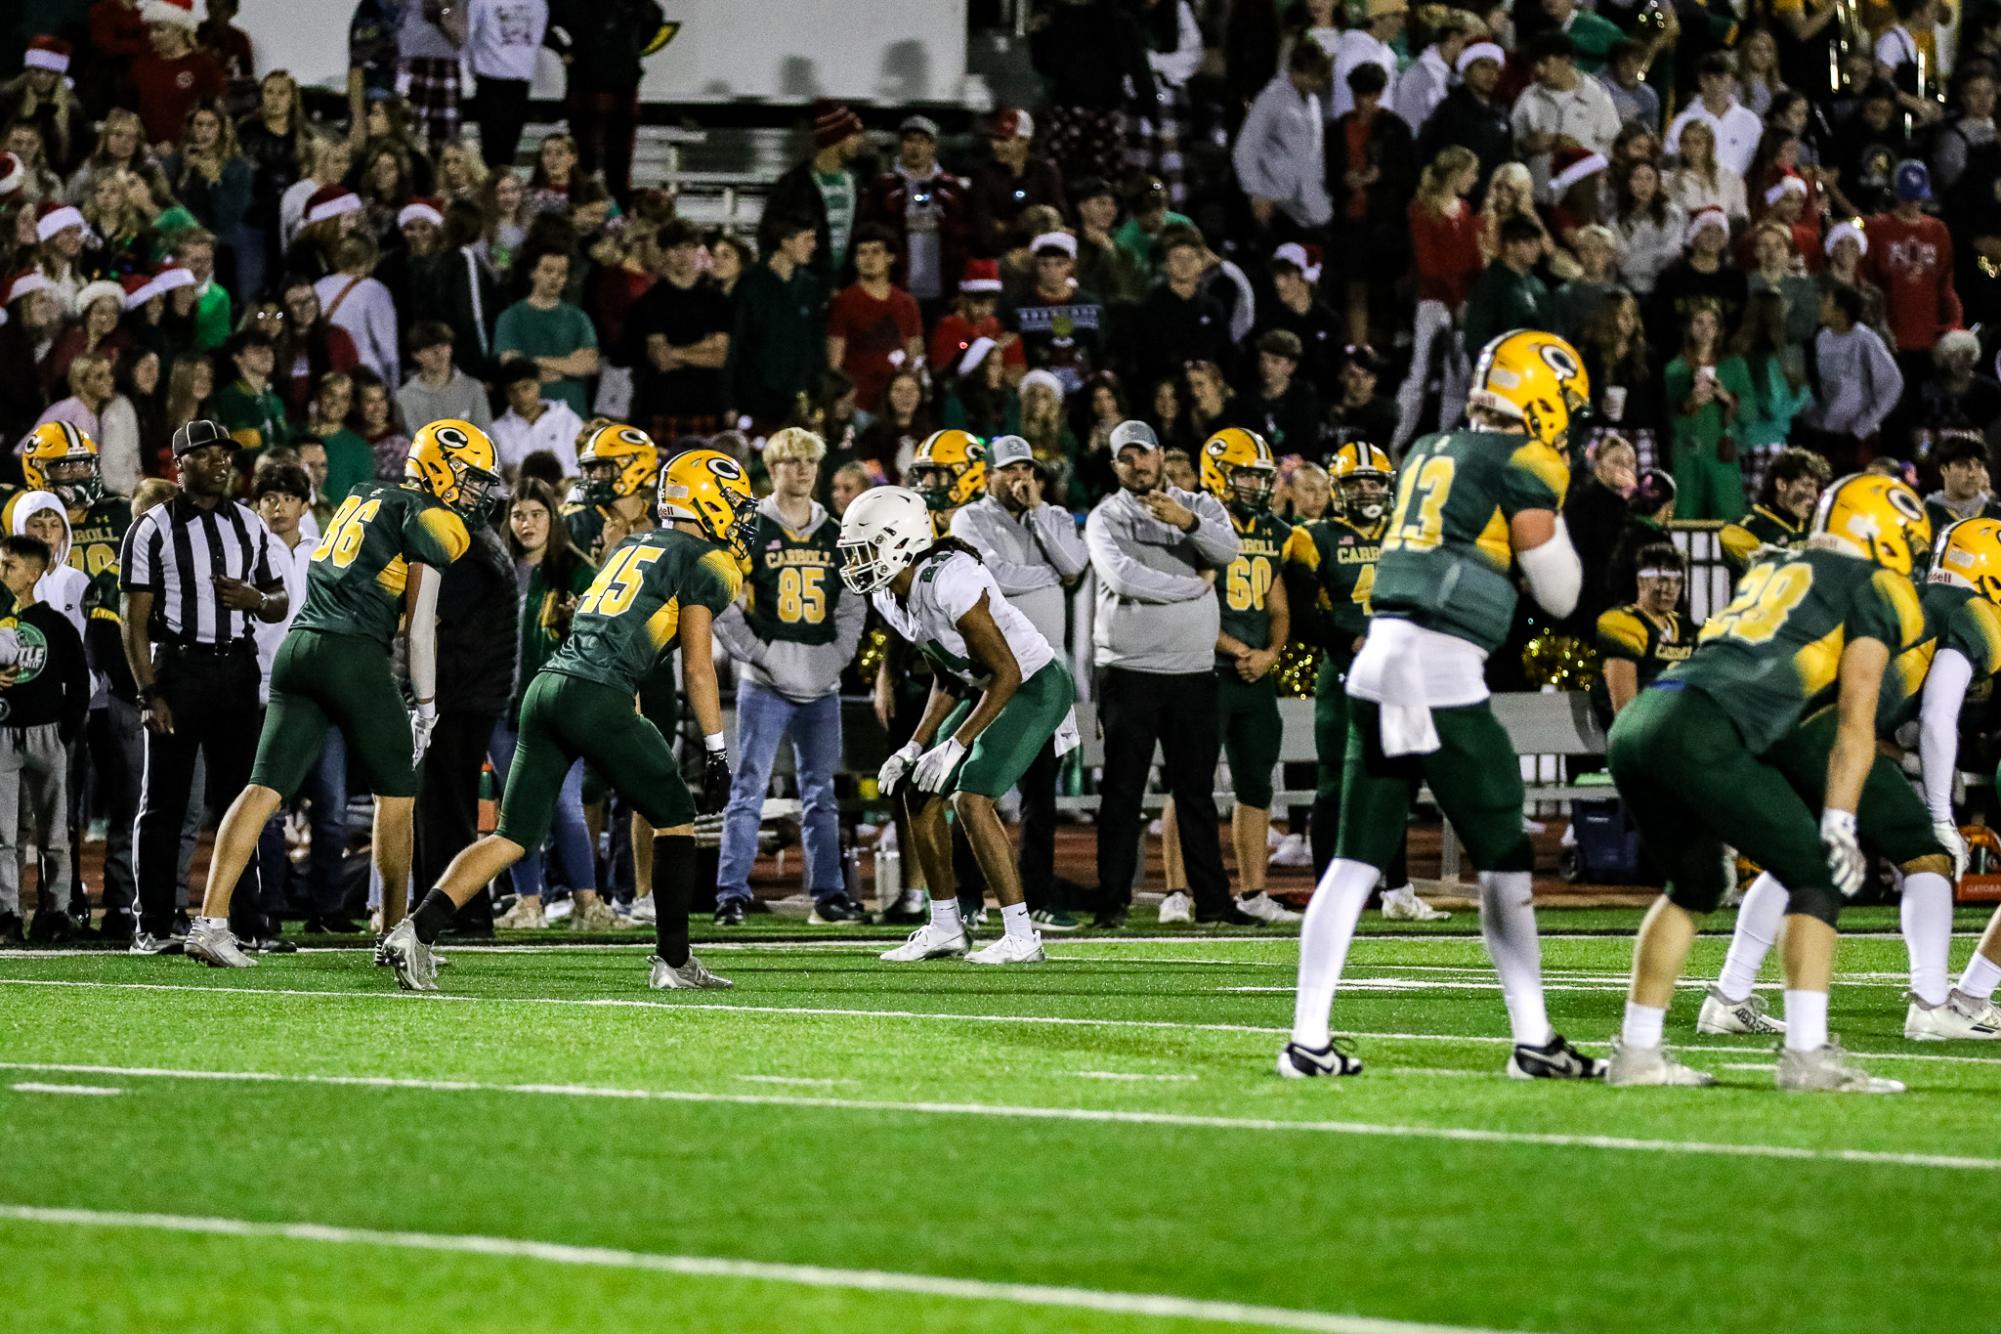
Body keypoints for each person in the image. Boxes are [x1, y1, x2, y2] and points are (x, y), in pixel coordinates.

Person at [1282, 330, 1602, 1081]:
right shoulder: (1525, 459)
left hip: (1377, 664)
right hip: (1439, 669)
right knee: (1506, 857)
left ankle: (1307, 1039)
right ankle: (1533, 1040)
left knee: (1353, 861)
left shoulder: (1429, 445)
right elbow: (1560, 594)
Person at [1606, 474, 1932, 1091]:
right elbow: (1857, 719)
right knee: (1818, 871)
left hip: (1644, 720)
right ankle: (1807, 1057)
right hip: (1704, 725)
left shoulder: (1774, 563)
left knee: (1698, 883)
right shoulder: (1874, 584)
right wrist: (1838, 820)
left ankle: (1637, 1053)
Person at [381, 448, 751, 992]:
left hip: (549, 687)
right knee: (674, 813)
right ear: (710, 500)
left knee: (513, 835)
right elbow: (697, 667)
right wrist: (717, 749)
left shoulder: (633, 546)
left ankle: (415, 931)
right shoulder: (706, 562)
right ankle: (673, 960)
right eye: (734, 502)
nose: (740, 514)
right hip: (594, 694)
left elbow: (601, 626)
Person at [180, 421, 492, 967]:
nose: (474, 491)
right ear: (441, 469)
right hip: (351, 653)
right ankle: (397, 934)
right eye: (469, 477)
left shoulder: (364, 493)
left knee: (262, 788)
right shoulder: (433, 518)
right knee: (397, 793)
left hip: (299, 647)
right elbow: (420, 629)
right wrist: (426, 706)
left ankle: (210, 921)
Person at [1700, 514, 2001, 1043]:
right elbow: (1936, 719)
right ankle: (1933, 1006)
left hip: (1788, 716)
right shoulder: (1972, 612)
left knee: (1798, 857)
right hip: (1830, 731)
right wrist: (1938, 812)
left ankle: (1729, 995)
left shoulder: (1917, 592)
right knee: (1925, 854)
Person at [846, 486, 1079, 966]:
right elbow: (947, 675)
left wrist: (955, 743)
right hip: (989, 685)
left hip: (1034, 685)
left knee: (971, 801)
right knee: (917, 792)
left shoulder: (951, 579)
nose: (858, 560)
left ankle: (1021, 935)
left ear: (900, 542)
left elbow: (1008, 672)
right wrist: (914, 746)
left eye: (866, 548)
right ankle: (946, 925)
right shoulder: (893, 595)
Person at [120, 419, 289, 955]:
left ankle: (243, 921)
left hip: (236, 670)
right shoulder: (151, 528)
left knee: (243, 800)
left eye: (225, 454)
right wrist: (149, 693)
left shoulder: (248, 523)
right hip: (180, 669)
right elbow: (134, 622)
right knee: (165, 803)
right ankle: (153, 924)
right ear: (180, 464)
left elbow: (279, 597)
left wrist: (256, 602)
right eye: (208, 453)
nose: (221, 461)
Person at [1085, 420, 1244, 929]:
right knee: (1122, 792)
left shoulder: (1200, 507)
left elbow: (1230, 552)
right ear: (1116, 467)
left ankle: (1215, 903)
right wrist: (1193, 588)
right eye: (1126, 459)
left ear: (1159, 455)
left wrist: (1187, 522)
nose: (1138, 465)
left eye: (1144, 455)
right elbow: (1121, 577)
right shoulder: (1105, 516)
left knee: (1196, 793)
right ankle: (1112, 904)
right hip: (1129, 670)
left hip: (1194, 670)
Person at [1157, 428, 1313, 925]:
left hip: (1254, 676)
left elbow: (1278, 604)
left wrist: (1270, 653)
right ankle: (1176, 892)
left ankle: (1253, 893)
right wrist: (1238, 647)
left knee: (1255, 786)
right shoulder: (1196, 523)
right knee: (1190, 784)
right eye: (1245, 473)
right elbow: (1191, 598)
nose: (1255, 484)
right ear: (1218, 473)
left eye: (1260, 476)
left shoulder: (1272, 530)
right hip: (1205, 671)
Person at [712, 427, 866, 926]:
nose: (801, 470)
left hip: (823, 681)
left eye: (809, 461)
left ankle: (828, 892)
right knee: (749, 787)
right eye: (791, 461)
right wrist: (759, 654)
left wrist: (838, 656)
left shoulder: (835, 529)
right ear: (773, 466)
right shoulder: (751, 525)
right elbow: (724, 599)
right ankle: (731, 893)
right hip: (765, 682)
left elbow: (851, 603)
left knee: (821, 792)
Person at [949, 435, 1089, 926]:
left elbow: (1074, 566)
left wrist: (1038, 519)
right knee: (970, 783)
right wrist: (1048, 576)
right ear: (989, 474)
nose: (1019, 477)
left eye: (1027, 468)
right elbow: (993, 576)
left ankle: (1040, 898)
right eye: (1009, 469)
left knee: (1040, 795)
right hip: (992, 674)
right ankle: (967, 897)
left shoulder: (1052, 516)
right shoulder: (969, 518)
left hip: (1044, 678)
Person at [489, 478, 598, 930]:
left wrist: (578, 622)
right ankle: (528, 901)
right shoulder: (494, 566)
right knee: (517, 808)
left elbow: (600, 639)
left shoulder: (576, 569)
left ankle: (589, 904)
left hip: (557, 709)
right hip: (500, 707)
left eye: (536, 514)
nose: (527, 523)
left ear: (553, 520)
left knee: (566, 805)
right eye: (518, 515)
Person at [0, 534, 88, 943]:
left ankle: (56, 912)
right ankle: (8, 914)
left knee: (54, 833)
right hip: (3, 735)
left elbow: (79, 683)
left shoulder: (56, 625)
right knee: (5, 833)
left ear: (34, 573)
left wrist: (64, 732)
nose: (1, 573)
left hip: (46, 734)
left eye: (9, 566)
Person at [626, 219, 731, 442]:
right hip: (661, 405)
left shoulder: (717, 300)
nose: (683, 255)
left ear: (697, 251)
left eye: (688, 248)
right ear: (664, 253)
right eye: (675, 248)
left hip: (708, 405)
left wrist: (676, 352)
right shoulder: (650, 302)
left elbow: (720, 357)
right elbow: (661, 359)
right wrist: (703, 347)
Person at [730, 213, 825, 433]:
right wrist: (730, 401)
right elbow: (735, 345)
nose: (814, 246)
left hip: (797, 400)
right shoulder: (750, 284)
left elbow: (816, 344)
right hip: (755, 400)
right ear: (786, 241)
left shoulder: (810, 286)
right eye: (807, 239)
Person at [1231, 39, 1334, 240]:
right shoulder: (1271, 98)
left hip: (1310, 203)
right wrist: (1257, 194)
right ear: (1297, 70)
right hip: (1277, 204)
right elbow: (1244, 149)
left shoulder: (1312, 100)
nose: (1317, 83)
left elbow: (1315, 150)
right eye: (1312, 77)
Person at [826, 223, 924, 414]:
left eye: (876, 252)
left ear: (890, 257)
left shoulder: (906, 303)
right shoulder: (844, 302)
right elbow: (835, 360)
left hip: (894, 406)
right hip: (859, 405)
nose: (868, 258)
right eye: (862, 252)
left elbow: (915, 355)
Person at [764, 100, 865, 284]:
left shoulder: (857, 183)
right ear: (836, 138)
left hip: (845, 283)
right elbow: (770, 232)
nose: (860, 141)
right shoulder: (793, 184)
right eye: (854, 134)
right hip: (804, 284)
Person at [494, 247, 599, 420]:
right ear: (533, 273)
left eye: (561, 273)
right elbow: (513, 365)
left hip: (572, 416)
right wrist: (567, 365)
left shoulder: (578, 317)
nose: (555, 278)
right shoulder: (511, 317)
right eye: (548, 270)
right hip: (527, 418)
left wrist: (535, 361)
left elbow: (588, 364)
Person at [1593, 541, 1693, 721]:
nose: (1669, 589)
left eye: (1676, 581)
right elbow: (1626, 711)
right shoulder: (1623, 623)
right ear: (1641, 581)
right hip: (1644, 732)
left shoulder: (1686, 628)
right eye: (1662, 580)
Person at [1719, 446, 1831, 578]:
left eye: (1816, 488)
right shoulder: (1745, 529)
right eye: (1807, 485)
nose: (1814, 495)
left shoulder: (1818, 523)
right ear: (1782, 484)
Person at [491, 355, 584, 476]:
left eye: (526, 387)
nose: (521, 396)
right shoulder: (497, 431)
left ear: (538, 384)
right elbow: (492, 480)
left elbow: (583, 467)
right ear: (505, 393)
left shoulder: (567, 420)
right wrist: (506, 478)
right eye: (513, 391)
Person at [396, 321, 492, 435]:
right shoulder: (404, 397)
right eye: (429, 347)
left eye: (443, 345)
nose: (438, 352)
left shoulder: (473, 388)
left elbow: (485, 435)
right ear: (416, 355)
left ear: (451, 348)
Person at [1925, 436, 2001, 532]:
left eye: (1978, 465)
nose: (1971, 474)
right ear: (1944, 469)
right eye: (1962, 465)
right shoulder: (1926, 515)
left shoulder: (1997, 514)